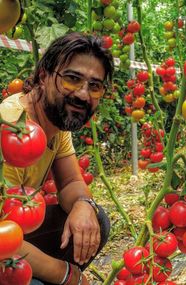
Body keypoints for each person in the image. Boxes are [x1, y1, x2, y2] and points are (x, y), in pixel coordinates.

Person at [0, 32, 114, 285]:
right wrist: (65, 274)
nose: (83, 95)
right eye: (72, 79)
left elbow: (72, 180)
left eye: (94, 86)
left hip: (15, 231)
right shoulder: (11, 131)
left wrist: (84, 204)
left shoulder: (54, 122)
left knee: (95, 220)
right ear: (43, 76)